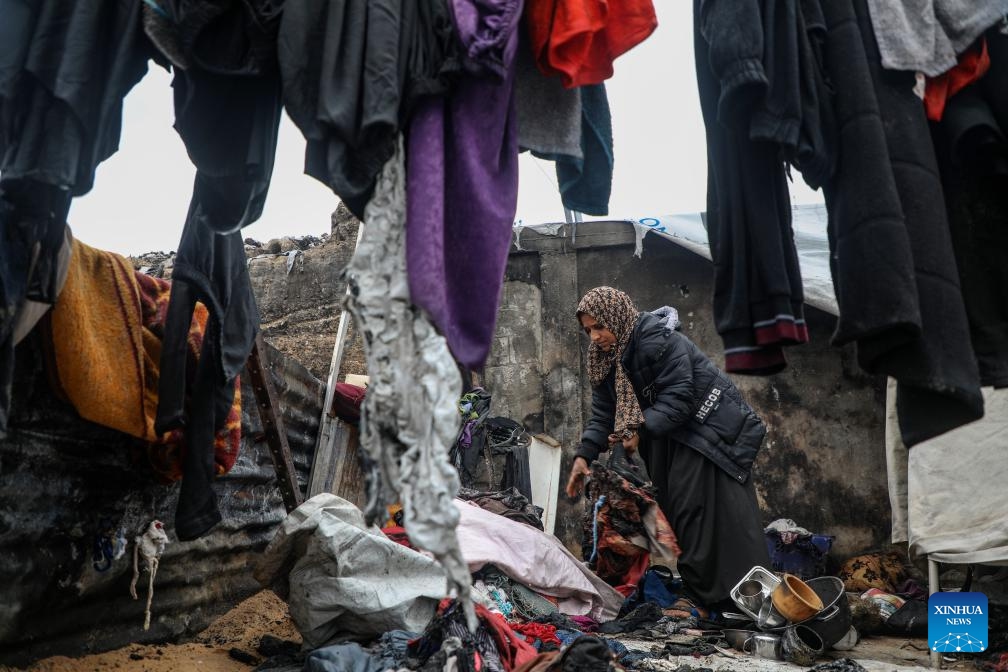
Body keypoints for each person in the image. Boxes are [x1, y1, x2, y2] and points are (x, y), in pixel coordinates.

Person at [565, 286, 771, 612]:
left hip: (705, 430)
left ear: (617, 319)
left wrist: (638, 428)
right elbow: (604, 414)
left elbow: (681, 397)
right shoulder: (604, 361)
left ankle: (715, 598)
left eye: (599, 326)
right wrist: (582, 456)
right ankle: (714, 595)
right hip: (669, 436)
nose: (594, 336)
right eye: (588, 329)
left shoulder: (658, 341)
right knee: (678, 512)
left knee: (699, 511)